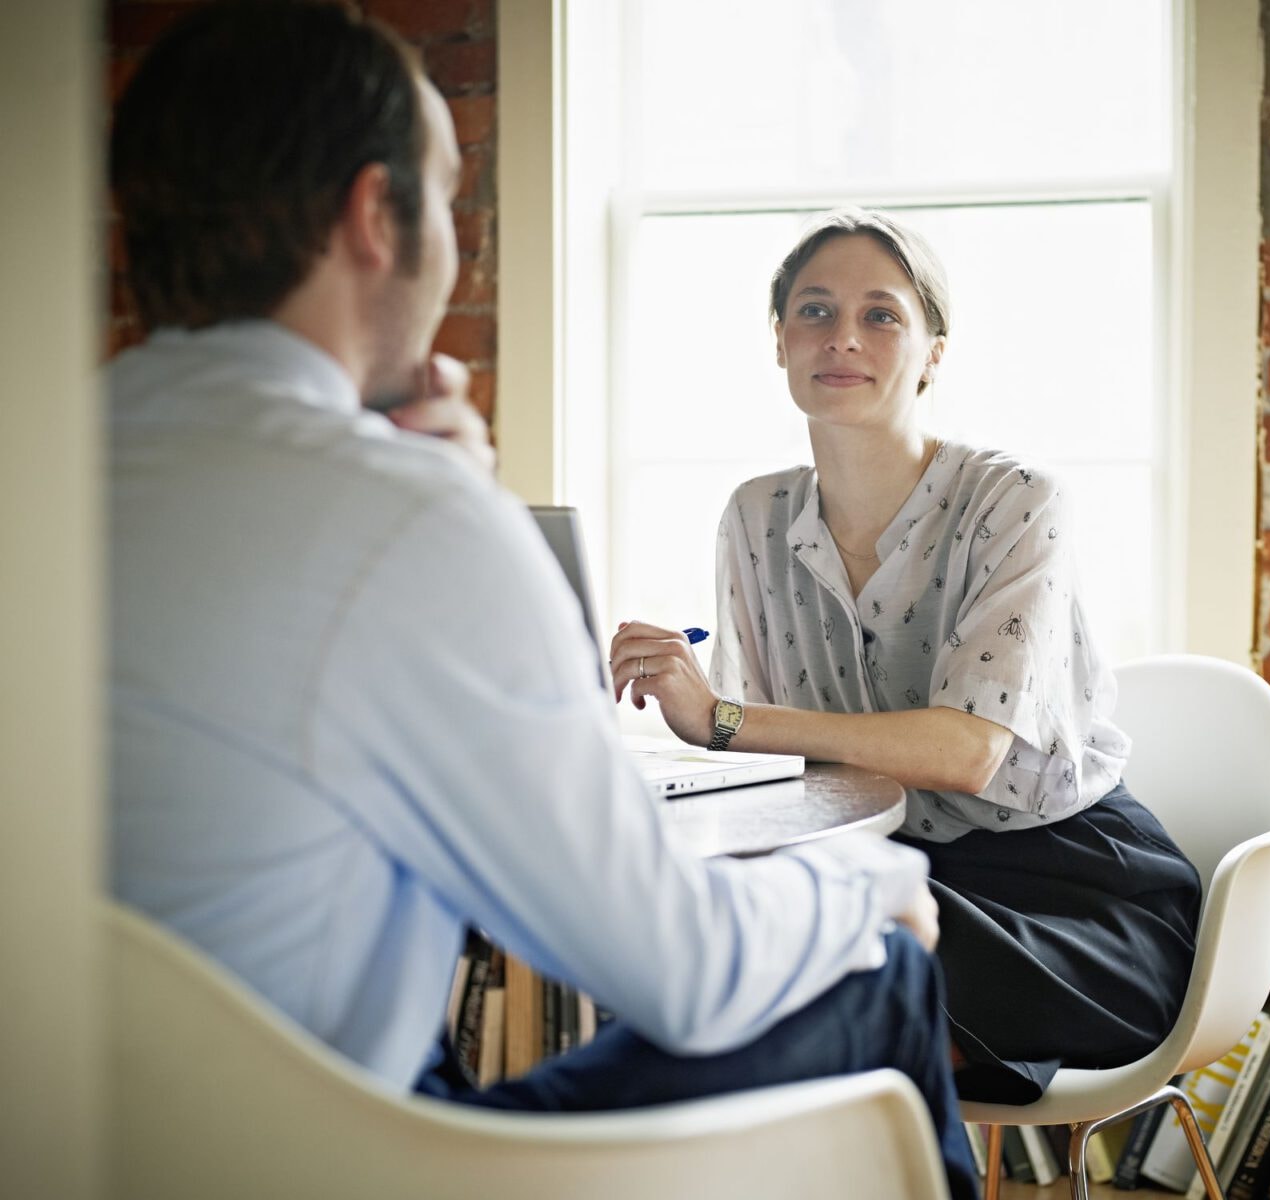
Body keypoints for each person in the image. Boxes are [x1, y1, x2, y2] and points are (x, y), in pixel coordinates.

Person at [106, 7, 975, 1195]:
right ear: (374, 218)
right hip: (348, 1158)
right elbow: (679, 966)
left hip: (106, 1139)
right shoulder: (404, 520)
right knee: (883, 966)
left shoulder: (53, 469)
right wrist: (874, 881)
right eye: (447, 200)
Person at [611, 208, 1203, 1104]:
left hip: (1073, 895)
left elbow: (969, 753)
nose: (842, 336)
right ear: (778, 341)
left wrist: (720, 720)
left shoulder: (1016, 500)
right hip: (885, 868)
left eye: (881, 314)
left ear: (933, 351)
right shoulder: (753, 517)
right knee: (730, 951)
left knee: (827, 988)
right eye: (813, 311)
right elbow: (792, 773)